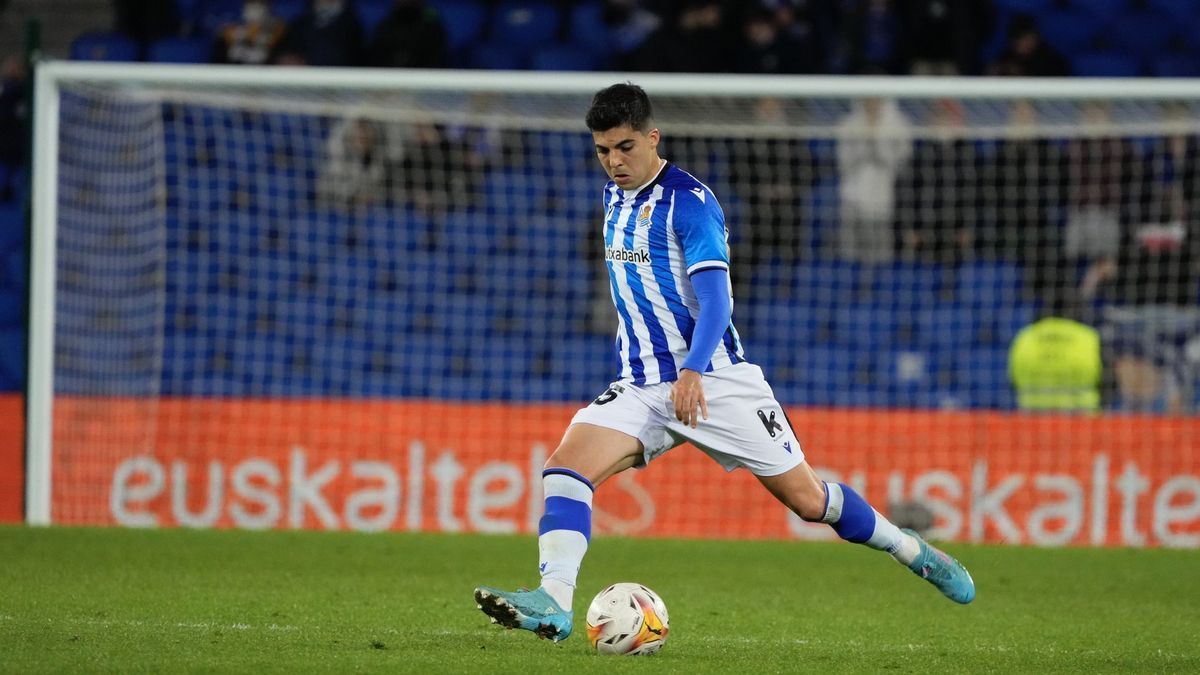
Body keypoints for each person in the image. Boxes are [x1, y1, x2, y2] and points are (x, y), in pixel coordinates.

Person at [473, 83, 975, 643]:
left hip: (715, 380)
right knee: (564, 473)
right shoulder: (615, 198)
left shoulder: (690, 203)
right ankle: (554, 603)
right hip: (641, 387)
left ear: (652, 137)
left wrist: (691, 370)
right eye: (602, 151)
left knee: (810, 502)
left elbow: (716, 300)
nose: (614, 161)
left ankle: (913, 550)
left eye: (625, 147)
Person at [834, 95, 912, 264]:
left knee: (880, 254)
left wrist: (877, 145)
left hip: (883, 198)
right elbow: (842, 162)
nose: (873, 103)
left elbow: (902, 161)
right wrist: (864, 145)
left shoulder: (898, 125)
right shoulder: (848, 124)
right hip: (851, 197)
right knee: (850, 253)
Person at [1008, 294, 1102, 412]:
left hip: (1033, 417)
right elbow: (1105, 379)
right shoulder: (1088, 336)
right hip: (1080, 418)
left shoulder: (1025, 336)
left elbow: (1012, 380)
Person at [211, 0, 287, 65]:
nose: (255, 8)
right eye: (251, 3)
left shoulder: (277, 28)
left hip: (265, 75)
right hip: (232, 73)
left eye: (260, 4)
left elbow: (281, 56)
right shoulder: (229, 28)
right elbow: (218, 59)